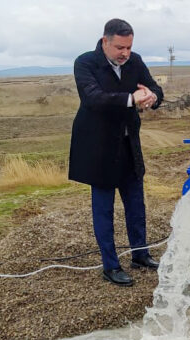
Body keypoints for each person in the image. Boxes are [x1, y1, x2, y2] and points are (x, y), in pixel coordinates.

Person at [68, 18, 164, 286]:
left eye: (129, 47)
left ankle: (140, 255)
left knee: (136, 204)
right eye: (120, 47)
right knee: (103, 209)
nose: (125, 53)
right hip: (98, 147)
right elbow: (93, 98)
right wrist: (132, 99)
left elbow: (155, 89)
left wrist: (153, 97)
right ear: (105, 42)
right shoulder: (85, 63)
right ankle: (110, 265)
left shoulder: (135, 61)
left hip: (128, 144)